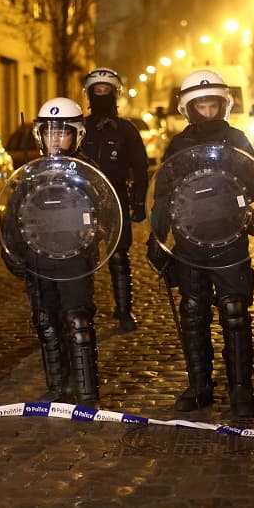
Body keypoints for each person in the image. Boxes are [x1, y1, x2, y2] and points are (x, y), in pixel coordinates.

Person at [147, 70, 254, 417]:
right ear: (189, 108)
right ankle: (199, 387)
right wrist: (157, 236)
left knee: (235, 313)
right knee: (193, 313)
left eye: (214, 106)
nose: (208, 113)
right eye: (202, 106)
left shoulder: (238, 139)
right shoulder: (178, 145)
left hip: (229, 238)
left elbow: (251, 185)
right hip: (190, 240)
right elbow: (164, 194)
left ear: (223, 105)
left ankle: (241, 389)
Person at [0, 97, 102, 407]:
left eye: (62, 133)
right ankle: (60, 387)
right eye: (49, 133)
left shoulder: (87, 170)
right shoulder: (30, 172)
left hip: (74, 259)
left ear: (77, 135)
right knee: (46, 320)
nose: (55, 140)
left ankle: (86, 392)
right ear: (40, 135)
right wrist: (12, 252)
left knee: (77, 321)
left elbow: (105, 210)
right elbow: (14, 216)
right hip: (38, 258)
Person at [79, 68, 149, 332]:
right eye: (96, 91)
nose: (101, 95)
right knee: (82, 257)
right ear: (89, 94)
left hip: (116, 197)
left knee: (119, 256)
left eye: (106, 91)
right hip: (82, 199)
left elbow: (140, 168)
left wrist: (140, 201)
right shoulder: (80, 127)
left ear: (115, 93)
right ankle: (82, 310)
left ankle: (123, 310)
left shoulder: (127, 130)